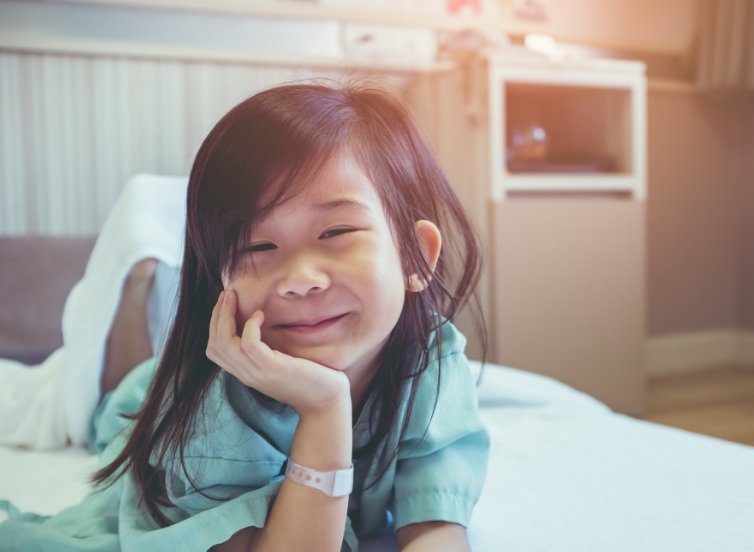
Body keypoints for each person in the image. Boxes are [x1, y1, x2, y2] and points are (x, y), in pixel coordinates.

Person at [0, 82, 489, 551]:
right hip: (148, 401)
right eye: (257, 245)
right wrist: (324, 409)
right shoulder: (209, 414)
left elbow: (435, 527)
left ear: (416, 258)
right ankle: (136, 283)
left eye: (336, 231)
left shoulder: (432, 361)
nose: (301, 278)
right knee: (106, 404)